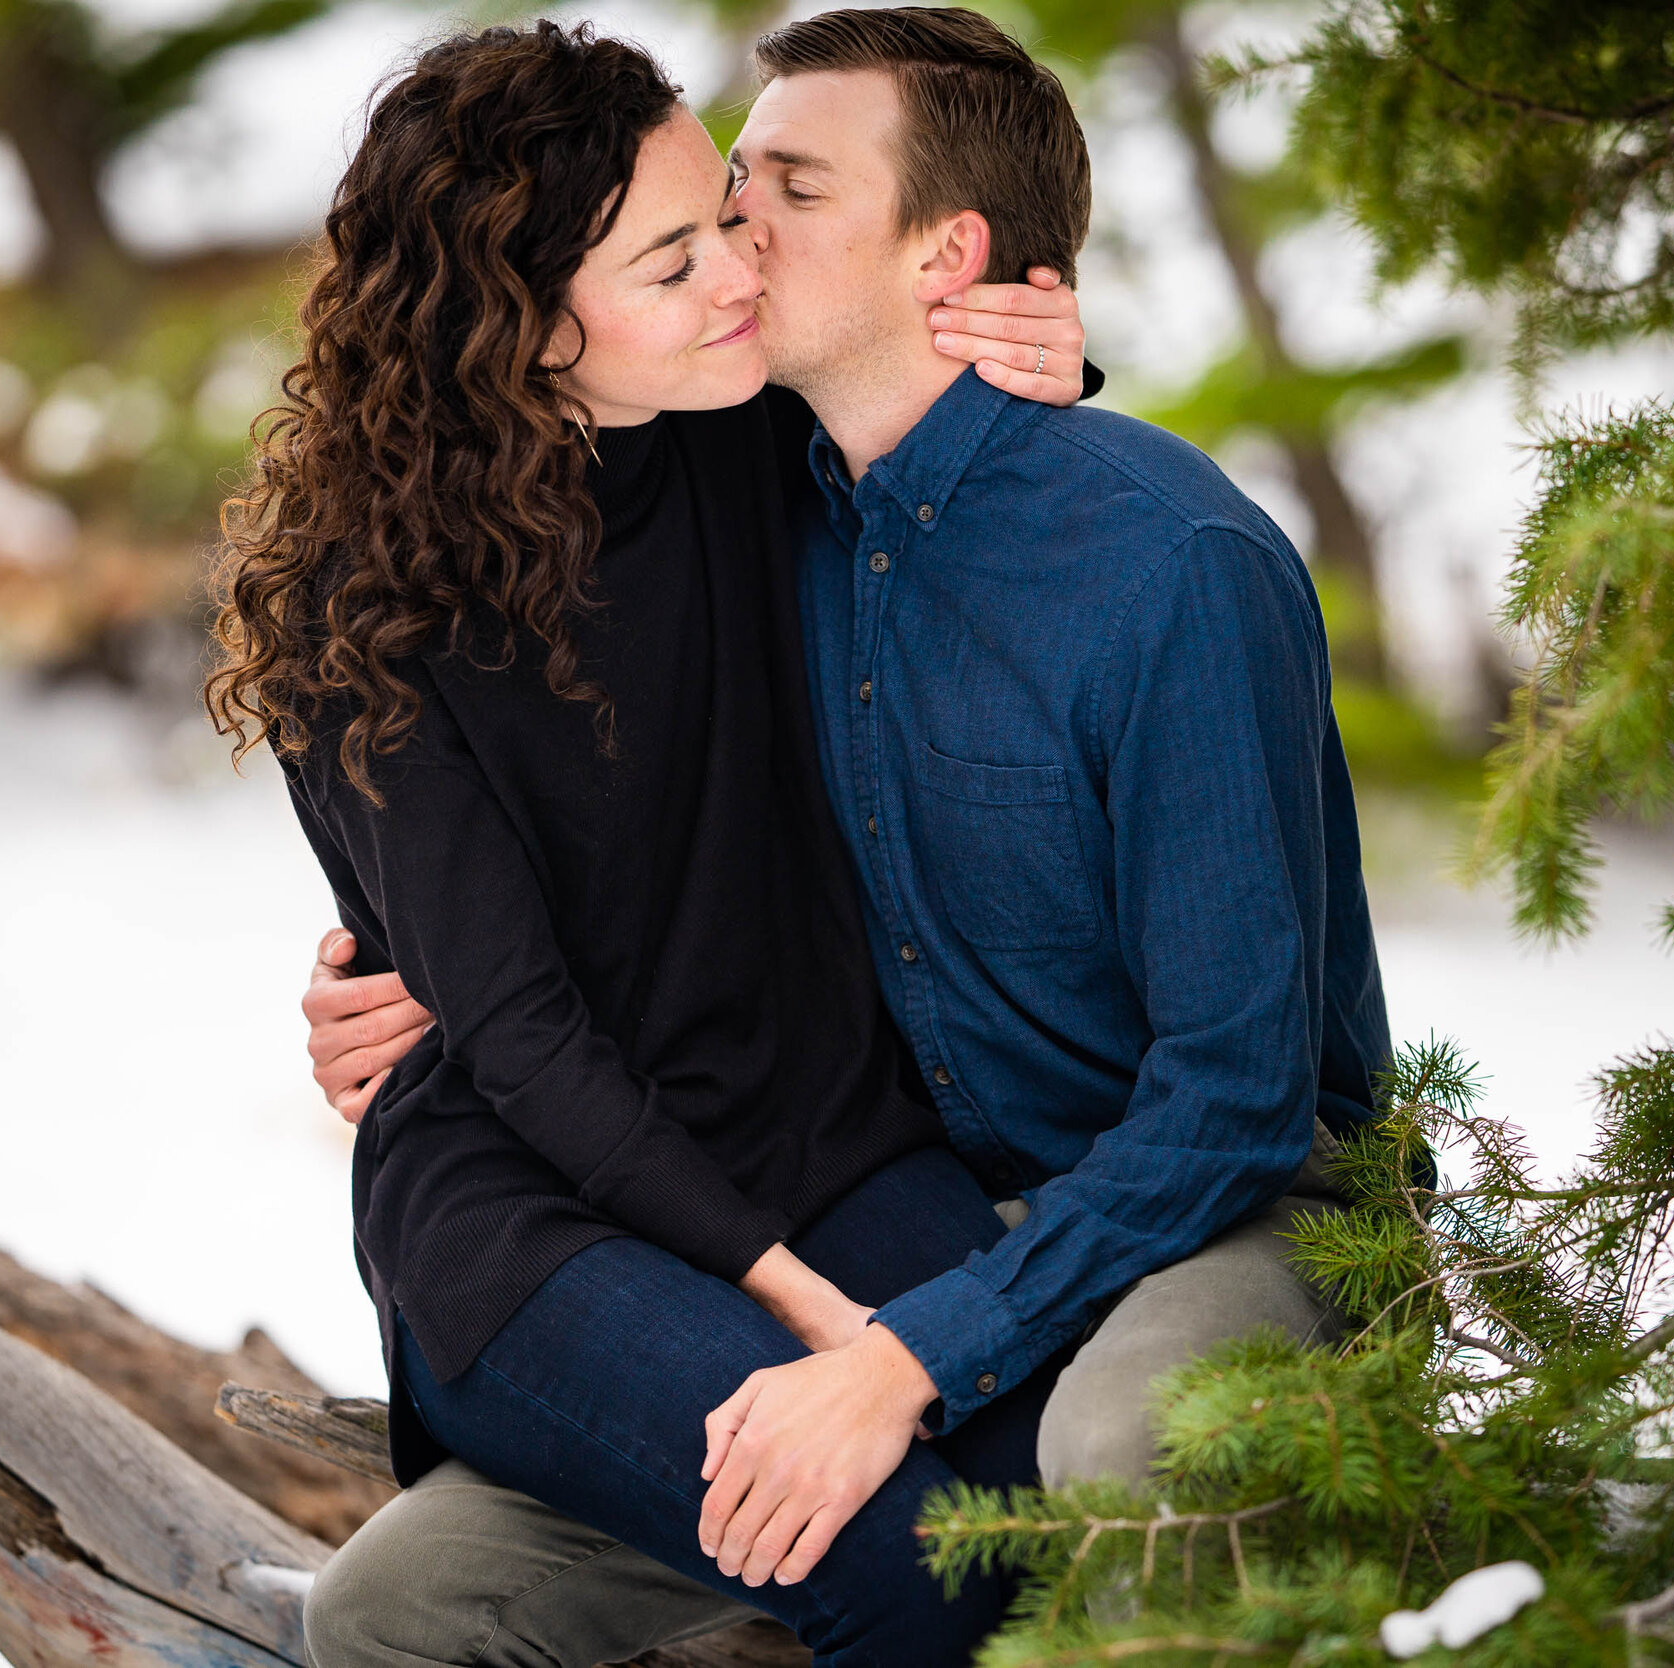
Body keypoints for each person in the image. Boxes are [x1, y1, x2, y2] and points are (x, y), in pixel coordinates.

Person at [299, 7, 1393, 1665]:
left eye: (773, 198)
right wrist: (407, 961)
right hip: (679, 1205)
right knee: (423, 1602)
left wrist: (896, 1356)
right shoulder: (664, 496)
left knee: (1041, 1489)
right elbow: (524, 953)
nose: (735, 248)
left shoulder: (1071, 545)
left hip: (1026, 1184)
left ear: (942, 252)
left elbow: (1238, 1095)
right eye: (701, 224)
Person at [203, 20, 1101, 1668]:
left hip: (825, 1135)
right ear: (526, 324)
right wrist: (798, 1304)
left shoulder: (737, 418)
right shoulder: (368, 609)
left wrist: (1033, 349)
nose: (739, 276)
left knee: (1069, 1491)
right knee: (907, 1565)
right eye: (675, 257)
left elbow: (963, 457)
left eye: (733, 223)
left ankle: (636, 1531)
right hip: (533, 1217)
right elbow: (524, 1041)